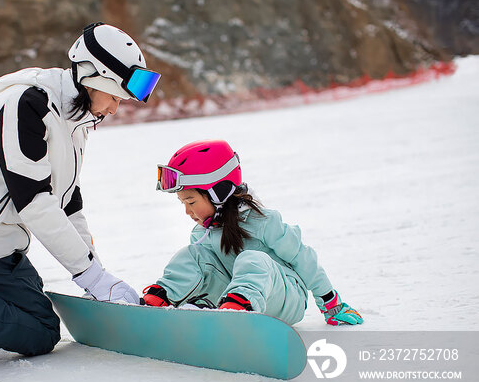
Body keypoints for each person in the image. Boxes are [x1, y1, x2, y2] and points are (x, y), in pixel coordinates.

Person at [0, 23, 161, 356]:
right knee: (41, 330)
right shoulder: (27, 105)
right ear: (94, 78)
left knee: (29, 311)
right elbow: (34, 202)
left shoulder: (74, 119)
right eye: (115, 96)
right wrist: (89, 275)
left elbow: (68, 202)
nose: (116, 108)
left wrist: (97, 274)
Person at [143, 139, 363, 326]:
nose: (186, 211)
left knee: (253, 259)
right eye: (183, 203)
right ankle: (161, 301)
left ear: (218, 192)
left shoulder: (264, 222)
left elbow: (303, 258)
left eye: (190, 201)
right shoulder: (202, 233)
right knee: (192, 254)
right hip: (234, 295)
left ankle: (238, 312)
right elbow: (200, 272)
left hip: (286, 298)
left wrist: (331, 303)